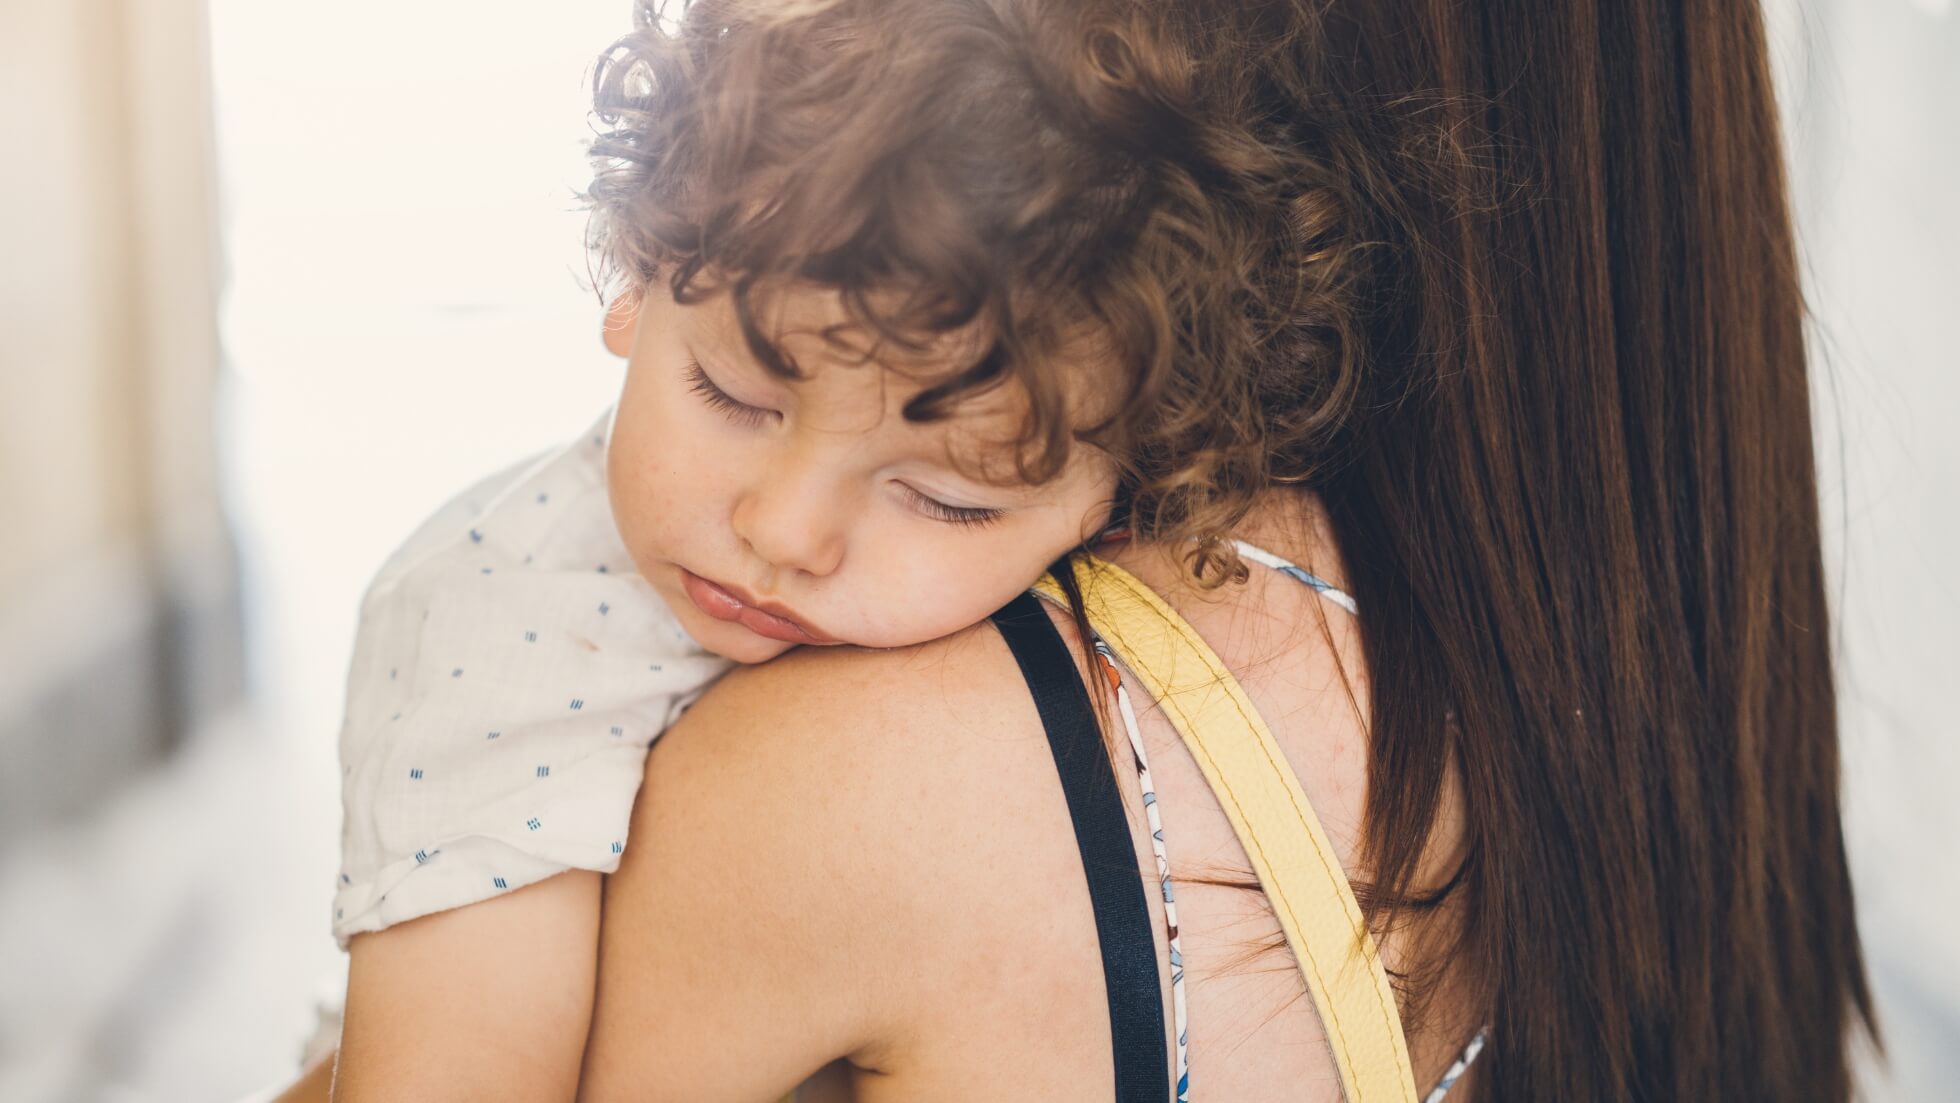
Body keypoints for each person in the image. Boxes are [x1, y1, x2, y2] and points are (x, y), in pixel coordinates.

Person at [285, 0, 1876, 1099]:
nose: (784, 531)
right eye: (736, 390)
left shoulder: (852, 795)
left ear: (1158, 445)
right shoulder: (1641, 694)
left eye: (956, 492)